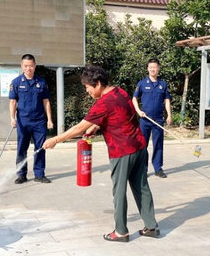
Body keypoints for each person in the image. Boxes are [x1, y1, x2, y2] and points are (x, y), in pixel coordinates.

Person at [43, 65, 160, 242]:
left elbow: (78, 128)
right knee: (141, 186)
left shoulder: (103, 102)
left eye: (88, 87)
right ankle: (151, 226)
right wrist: (96, 127)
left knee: (119, 191)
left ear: (97, 84)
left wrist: (56, 140)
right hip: (139, 146)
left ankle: (121, 231)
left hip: (121, 151)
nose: (87, 91)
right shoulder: (120, 92)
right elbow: (118, 118)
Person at [9, 54, 53, 184]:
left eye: (31, 66)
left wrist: (49, 119)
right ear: (22, 66)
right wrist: (12, 118)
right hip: (23, 121)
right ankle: (21, 175)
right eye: (26, 66)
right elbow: (12, 102)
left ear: (35, 66)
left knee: (40, 148)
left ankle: (39, 174)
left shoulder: (41, 82)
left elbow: (46, 102)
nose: (29, 68)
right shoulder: (16, 82)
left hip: (39, 121)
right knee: (22, 148)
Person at [132, 58, 171, 178]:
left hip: (158, 119)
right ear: (148, 69)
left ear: (158, 68)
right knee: (142, 145)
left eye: (155, 67)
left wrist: (169, 114)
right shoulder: (142, 83)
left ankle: (158, 168)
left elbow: (167, 100)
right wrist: (138, 111)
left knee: (158, 144)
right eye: (150, 67)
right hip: (145, 120)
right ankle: (142, 169)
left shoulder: (163, 84)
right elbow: (134, 99)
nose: (153, 69)